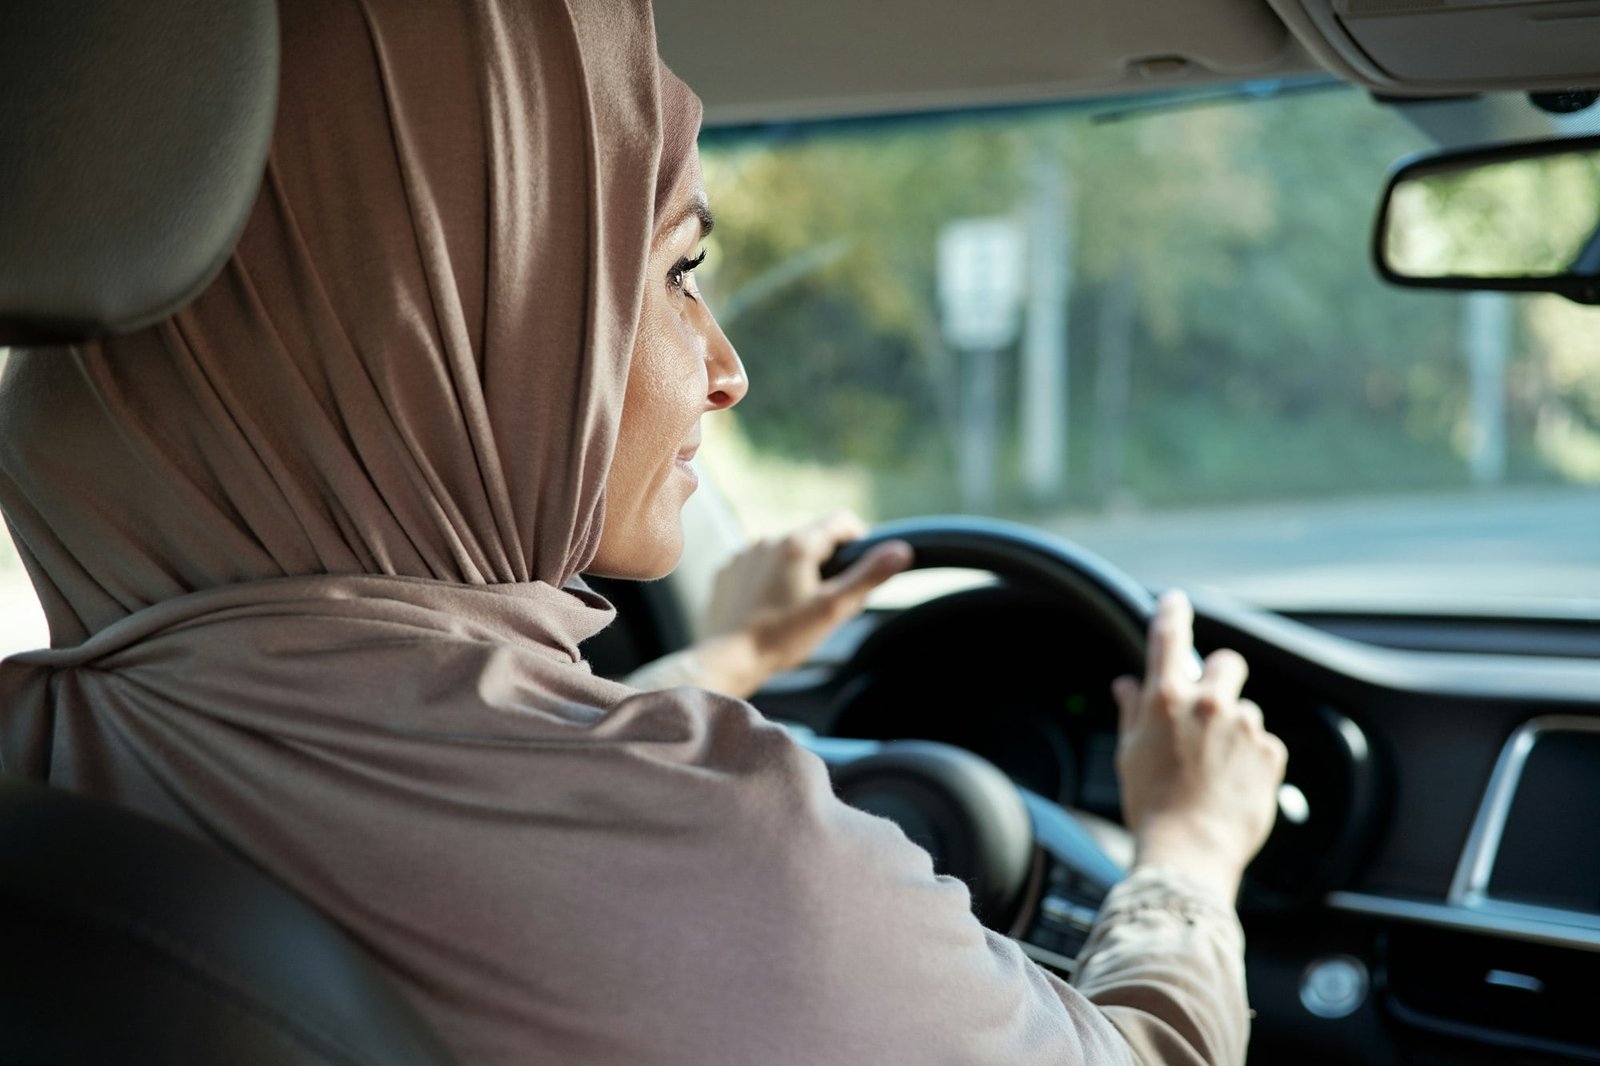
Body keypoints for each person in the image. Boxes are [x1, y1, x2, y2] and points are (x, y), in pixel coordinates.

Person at [0, 2, 1286, 1064]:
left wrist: (722, 662)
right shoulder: (735, 859)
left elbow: (415, 765)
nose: (725, 369)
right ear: (448, 334)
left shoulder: (38, 748)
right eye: (674, 273)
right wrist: (1186, 847)